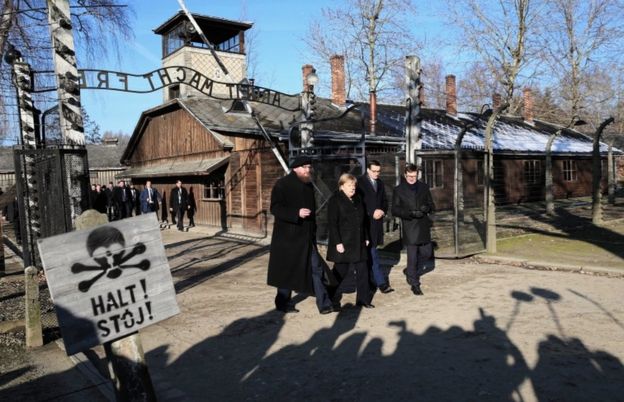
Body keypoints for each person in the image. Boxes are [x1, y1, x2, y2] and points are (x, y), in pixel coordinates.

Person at [267, 156, 334, 315]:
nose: (308, 170)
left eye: (309, 167)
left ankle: (324, 304)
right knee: (287, 270)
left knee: (315, 268)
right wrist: (295, 213)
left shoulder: (309, 185)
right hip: (288, 237)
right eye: (305, 167)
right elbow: (275, 208)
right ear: (295, 168)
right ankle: (282, 302)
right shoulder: (282, 185)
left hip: (306, 237)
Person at [327, 173, 374, 309]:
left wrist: (366, 237)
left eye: (354, 185)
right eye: (349, 186)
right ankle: (330, 298)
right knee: (339, 272)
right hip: (344, 242)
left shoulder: (358, 199)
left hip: (358, 242)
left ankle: (363, 300)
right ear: (341, 186)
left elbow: (363, 220)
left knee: (363, 271)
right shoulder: (335, 200)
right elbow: (332, 223)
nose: (352, 188)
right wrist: (338, 243)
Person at [391, 163, 435, 296]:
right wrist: (409, 213)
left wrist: (426, 208)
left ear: (417, 175)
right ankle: (414, 283)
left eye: (414, 176)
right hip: (410, 225)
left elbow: (431, 204)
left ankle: (410, 272)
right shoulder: (398, 190)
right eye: (409, 176)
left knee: (427, 253)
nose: (412, 178)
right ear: (405, 175)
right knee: (413, 257)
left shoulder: (424, 187)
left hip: (423, 224)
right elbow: (395, 209)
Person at [357, 159, 393, 293]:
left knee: (372, 253)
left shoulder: (380, 183)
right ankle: (380, 282)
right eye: (374, 171)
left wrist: (382, 211)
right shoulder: (359, 183)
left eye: (378, 171)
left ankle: (373, 282)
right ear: (367, 170)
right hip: (364, 225)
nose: (377, 174)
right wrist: (371, 212)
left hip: (376, 225)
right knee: (372, 255)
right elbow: (357, 204)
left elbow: (384, 201)